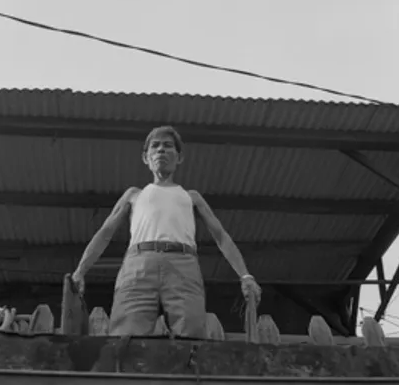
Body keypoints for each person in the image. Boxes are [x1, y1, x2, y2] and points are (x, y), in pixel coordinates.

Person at [71, 126, 262, 338]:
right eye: (155, 146)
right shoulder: (133, 195)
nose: (161, 149)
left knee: (191, 334)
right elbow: (105, 232)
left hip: (183, 264)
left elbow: (221, 236)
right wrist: (80, 271)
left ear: (179, 157)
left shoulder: (192, 197)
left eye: (168, 145)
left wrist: (245, 275)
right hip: (139, 264)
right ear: (146, 157)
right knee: (126, 335)